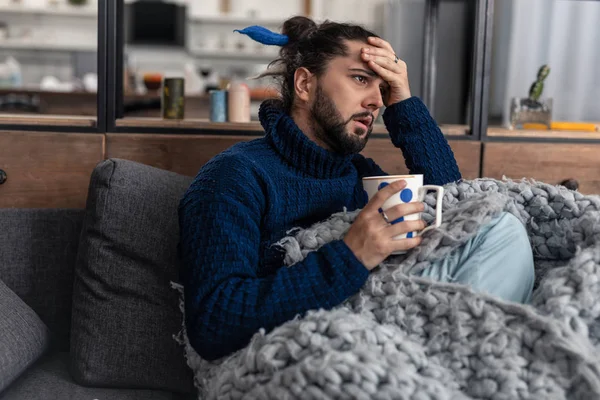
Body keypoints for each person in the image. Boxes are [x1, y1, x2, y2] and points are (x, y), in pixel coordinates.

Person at [178, 16, 534, 362]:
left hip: (383, 329)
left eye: (382, 89)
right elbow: (214, 321)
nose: (376, 101)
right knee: (503, 232)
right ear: (304, 84)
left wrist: (404, 102)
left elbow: (458, 210)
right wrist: (353, 255)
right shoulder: (235, 176)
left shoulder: (358, 174)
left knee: (499, 227)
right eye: (360, 79)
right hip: (309, 351)